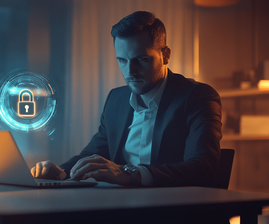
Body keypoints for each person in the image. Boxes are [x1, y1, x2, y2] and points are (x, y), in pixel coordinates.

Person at [31, 11, 222, 187]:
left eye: (141, 59)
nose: (130, 71)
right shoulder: (117, 99)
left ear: (165, 55)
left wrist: (130, 174)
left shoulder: (197, 97)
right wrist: (61, 172)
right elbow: (93, 155)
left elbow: (202, 169)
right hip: (122, 208)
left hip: (175, 211)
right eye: (122, 60)